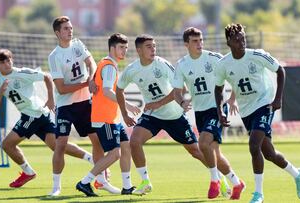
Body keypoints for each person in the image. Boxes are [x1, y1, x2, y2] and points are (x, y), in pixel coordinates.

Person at [214, 23, 300, 203]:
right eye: (237, 40)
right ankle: (296, 173)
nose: (241, 42)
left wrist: (278, 98)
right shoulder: (223, 64)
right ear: (228, 42)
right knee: (269, 153)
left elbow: (280, 70)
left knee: (253, 145)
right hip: (246, 110)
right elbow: (218, 89)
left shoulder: (257, 55)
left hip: (265, 104)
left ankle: (258, 194)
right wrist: (220, 111)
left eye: (243, 39)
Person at [116, 34, 208, 195]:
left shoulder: (163, 65)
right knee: (134, 142)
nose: (153, 49)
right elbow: (119, 89)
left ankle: (219, 177)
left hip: (174, 116)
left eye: (154, 46)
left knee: (195, 151)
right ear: (139, 50)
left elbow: (181, 89)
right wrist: (124, 114)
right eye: (148, 46)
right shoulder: (132, 70)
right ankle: (145, 181)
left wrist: (158, 103)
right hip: (153, 116)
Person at [0, 49, 94, 189]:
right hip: (39, 114)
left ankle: (28, 172)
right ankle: (92, 159)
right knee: (57, 146)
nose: (7, 64)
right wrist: (1, 92)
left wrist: (50, 98)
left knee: (7, 144)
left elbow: (47, 76)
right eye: (3, 62)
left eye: (8, 60)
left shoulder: (21, 73)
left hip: (33, 115)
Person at [172, 27, 245, 200]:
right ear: (186, 44)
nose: (199, 44)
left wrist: (232, 99)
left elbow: (235, 75)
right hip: (200, 111)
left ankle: (215, 181)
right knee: (214, 152)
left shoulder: (214, 58)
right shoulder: (182, 64)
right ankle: (236, 182)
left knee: (203, 143)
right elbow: (176, 91)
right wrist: (182, 102)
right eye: (195, 41)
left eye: (201, 40)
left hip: (217, 108)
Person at [48, 16, 117, 196]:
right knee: (60, 145)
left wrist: (92, 76)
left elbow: (91, 62)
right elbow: (61, 89)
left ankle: (101, 181)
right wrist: (86, 84)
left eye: (71, 28)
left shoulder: (78, 44)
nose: (70, 31)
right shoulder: (54, 56)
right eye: (65, 29)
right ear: (57, 33)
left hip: (85, 103)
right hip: (65, 106)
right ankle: (56, 187)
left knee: (97, 141)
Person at [76, 33, 140, 197]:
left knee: (126, 148)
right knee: (115, 154)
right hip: (105, 119)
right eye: (121, 48)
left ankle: (127, 186)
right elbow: (107, 91)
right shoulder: (109, 66)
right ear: (112, 48)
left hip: (112, 118)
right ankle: (84, 182)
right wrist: (126, 104)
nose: (124, 51)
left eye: (126, 48)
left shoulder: (105, 62)